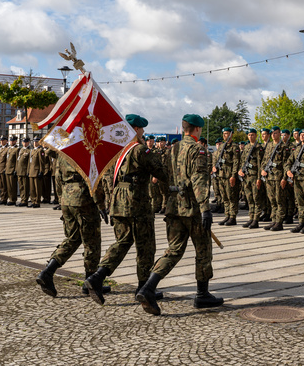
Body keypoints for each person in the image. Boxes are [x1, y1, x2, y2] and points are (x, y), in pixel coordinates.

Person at [136, 113, 223, 315]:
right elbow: (200, 181)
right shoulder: (198, 150)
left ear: (183, 128)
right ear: (197, 129)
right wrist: (205, 208)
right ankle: (202, 295)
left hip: (174, 206)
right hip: (192, 208)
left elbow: (163, 176)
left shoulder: (172, 149)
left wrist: (169, 197)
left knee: (174, 250)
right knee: (203, 250)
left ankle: (148, 287)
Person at [84, 114, 170, 304]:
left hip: (117, 200)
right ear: (136, 130)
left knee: (122, 242)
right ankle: (143, 287)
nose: (143, 133)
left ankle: (97, 276)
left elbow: (106, 176)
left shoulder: (116, 150)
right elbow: (161, 172)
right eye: (142, 129)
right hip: (136, 202)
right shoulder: (140, 150)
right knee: (145, 245)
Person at [36, 155, 108, 297]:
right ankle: (91, 283)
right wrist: (101, 205)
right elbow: (94, 180)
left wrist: (62, 198)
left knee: (73, 238)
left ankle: (48, 271)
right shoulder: (87, 152)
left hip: (67, 198)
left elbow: (57, 178)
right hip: (83, 199)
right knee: (91, 242)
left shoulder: (65, 153)